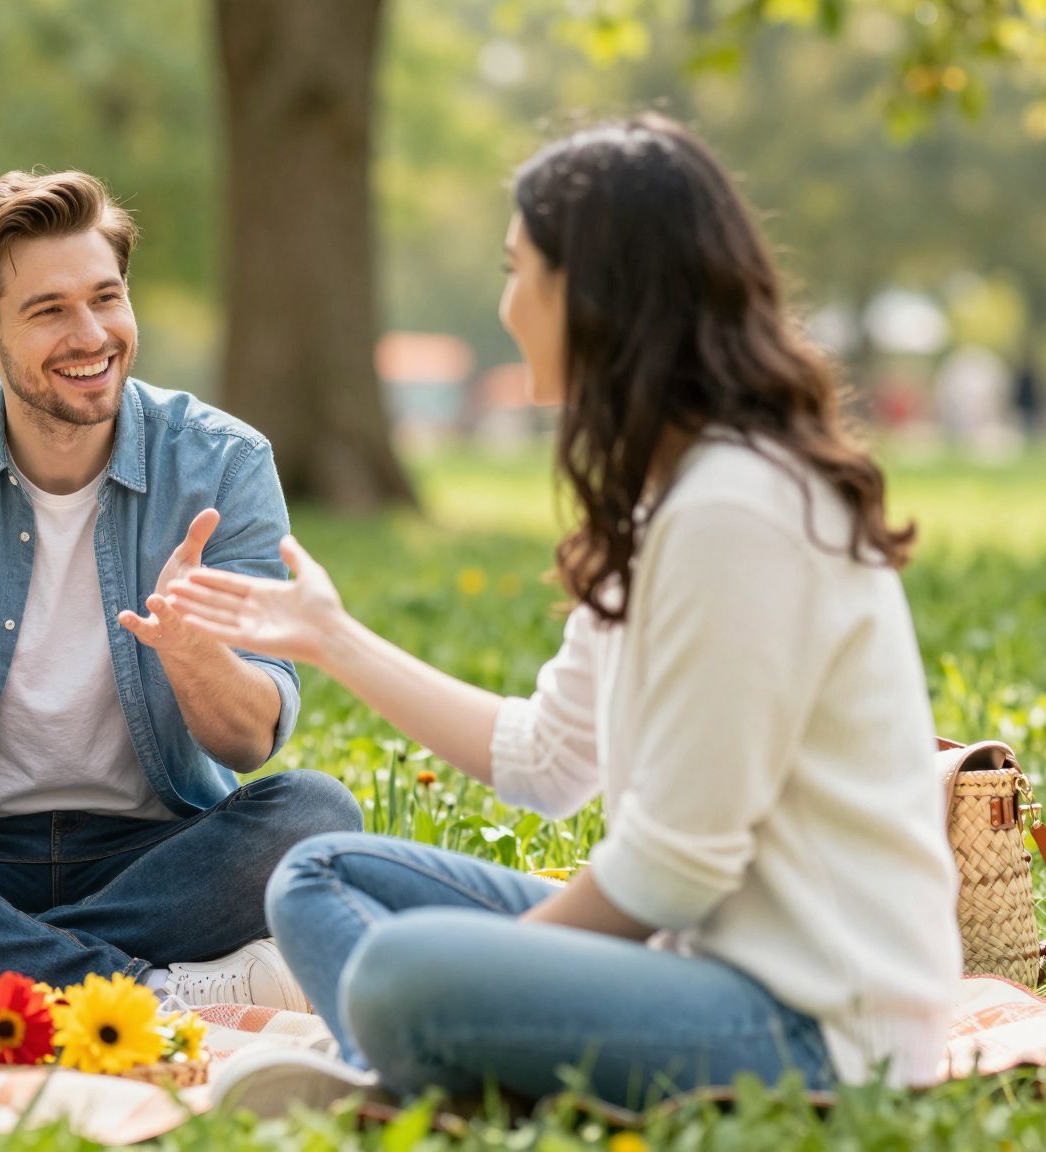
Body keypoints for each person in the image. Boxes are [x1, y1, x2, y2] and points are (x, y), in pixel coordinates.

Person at [180, 117, 961, 1114]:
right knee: (319, 878)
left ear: (588, 293)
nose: (505, 305)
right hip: (692, 963)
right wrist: (332, 639)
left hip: (815, 1029)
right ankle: (436, 1065)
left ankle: (416, 1061)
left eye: (517, 270)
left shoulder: (737, 509)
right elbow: (544, 760)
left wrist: (483, 972)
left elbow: (672, 870)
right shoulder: (668, 499)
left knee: (399, 973)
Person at [0, 170, 362, 1014]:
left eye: (106, 298)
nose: (92, 336)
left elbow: (250, 742)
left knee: (316, 814)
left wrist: (192, 654)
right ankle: (138, 988)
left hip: (159, 855)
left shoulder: (222, 463)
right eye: (49, 311)